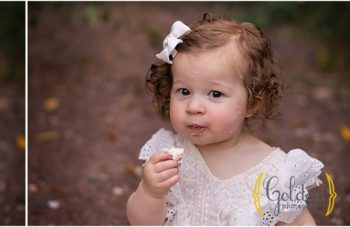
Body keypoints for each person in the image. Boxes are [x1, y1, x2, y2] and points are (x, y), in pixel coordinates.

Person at [126, 13, 323, 225]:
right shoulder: (169, 154)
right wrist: (151, 193)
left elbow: (302, 223)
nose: (193, 107)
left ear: (252, 103)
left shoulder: (275, 173)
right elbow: (141, 223)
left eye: (215, 94)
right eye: (184, 91)